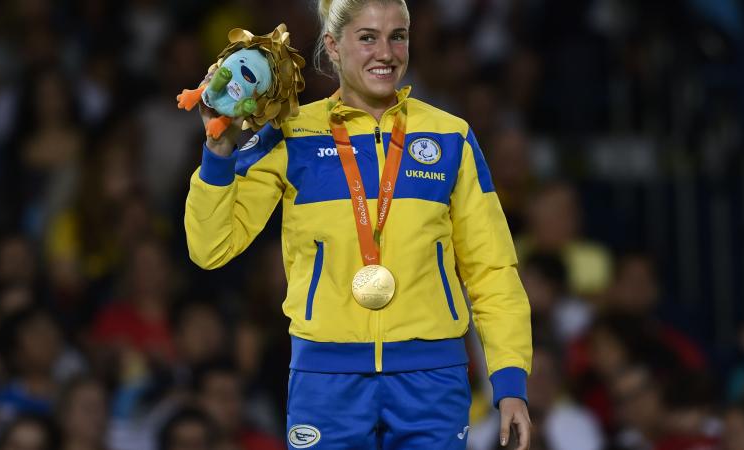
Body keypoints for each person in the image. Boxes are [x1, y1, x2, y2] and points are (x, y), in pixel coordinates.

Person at [184, 0, 533, 448]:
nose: (385, 52)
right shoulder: (291, 134)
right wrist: (217, 152)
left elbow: (493, 271)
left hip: (432, 380)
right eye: (367, 37)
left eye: (397, 36)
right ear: (333, 46)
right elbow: (210, 248)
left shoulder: (451, 137)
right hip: (326, 379)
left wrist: (509, 384)